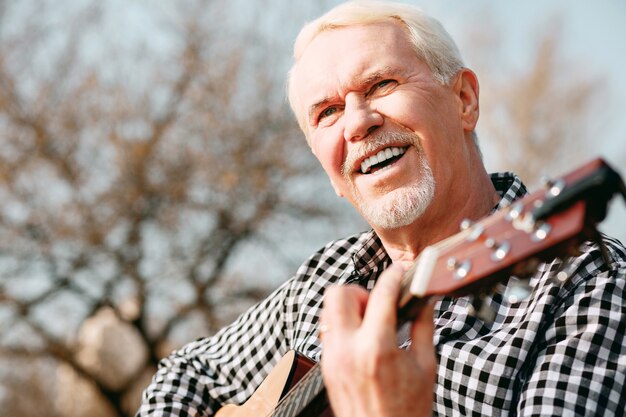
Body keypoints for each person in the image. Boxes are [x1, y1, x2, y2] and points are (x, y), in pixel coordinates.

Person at [137, 1, 626, 416]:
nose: (357, 123)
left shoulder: (589, 285)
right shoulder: (319, 284)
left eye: (381, 85)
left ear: (464, 100)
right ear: (326, 168)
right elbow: (188, 372)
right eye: (327, 112)